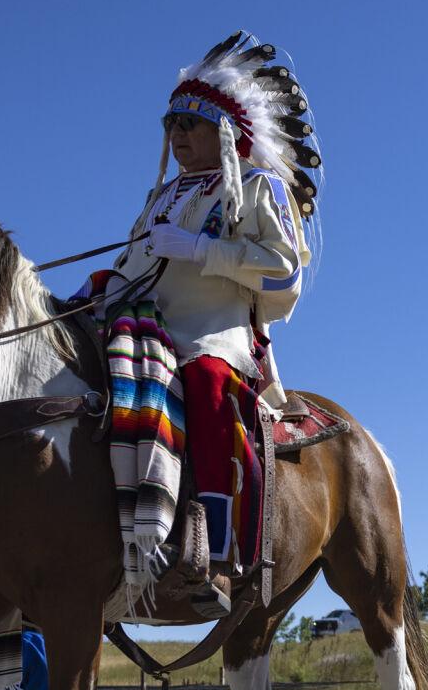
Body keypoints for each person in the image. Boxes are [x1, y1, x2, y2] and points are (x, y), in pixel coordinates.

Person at [88, 32, 321, 609]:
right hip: (145, 326)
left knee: (208, 384)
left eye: (189, 126)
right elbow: (132, 269)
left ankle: (213, 553)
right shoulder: (161, 198)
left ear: (221, 132)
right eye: (171, 126)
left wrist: (199, 249)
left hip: (215, 334)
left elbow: (284, 276)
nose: (177, 137)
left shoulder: (258, 188)